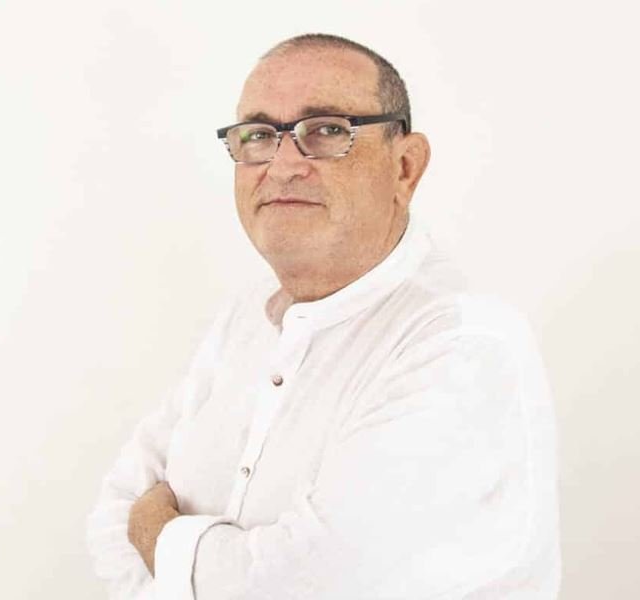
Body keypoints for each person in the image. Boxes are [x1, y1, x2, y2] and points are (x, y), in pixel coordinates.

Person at [86, 33, 561, 600]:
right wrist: (205, 561)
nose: (284, 164)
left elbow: (305, 586)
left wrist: (155, 532)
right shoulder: (245, 318)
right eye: (258, 136)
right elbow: (110, 525)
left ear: (405, 167)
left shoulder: (461, 345)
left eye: (329, 130)